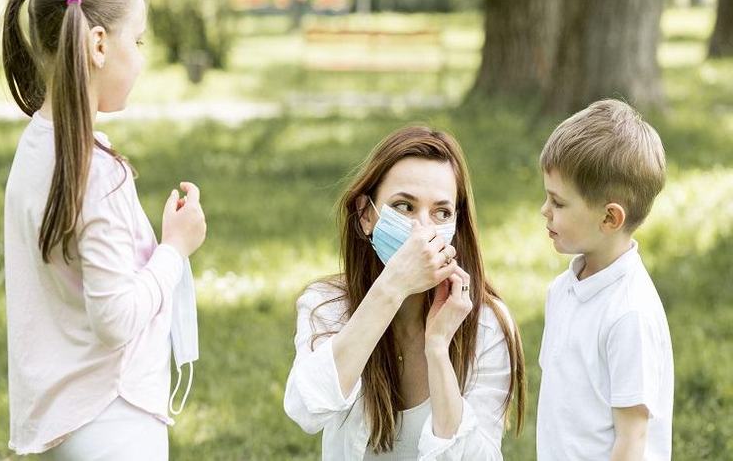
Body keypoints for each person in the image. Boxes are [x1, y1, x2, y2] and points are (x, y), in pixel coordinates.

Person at [1, 0, 205, 459]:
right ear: (98, 44)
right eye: (136, 41)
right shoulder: (97, 171)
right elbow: (114, 318)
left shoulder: (37, 144)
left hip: (64, 418)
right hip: (114, 419)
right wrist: (175, 250)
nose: (140, 57)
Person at [284, 126, 525, 460]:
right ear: (366, 215)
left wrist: (437, 349)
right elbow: (306, 408)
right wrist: (392, 286)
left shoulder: (485, 323)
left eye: (441, 212)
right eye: (404, 207)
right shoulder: (327, 305)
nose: (423, 230)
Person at [536, 99, 674, 460]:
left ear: (610, 218)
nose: (544, 210)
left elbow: (632, 440)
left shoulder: (630, 315)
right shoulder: (562, 290)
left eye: (558, 203)